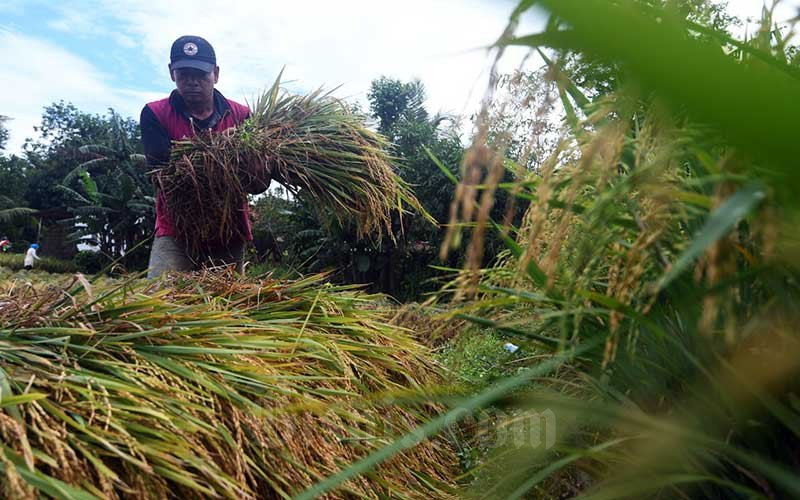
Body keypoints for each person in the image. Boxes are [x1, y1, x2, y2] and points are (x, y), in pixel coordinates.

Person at [140, 35, 271, 278]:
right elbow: (162, 175)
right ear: (172, 73)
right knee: (158, 301)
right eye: (184, 73)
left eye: (200, 74)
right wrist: (223, 149)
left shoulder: (242, 116)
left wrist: (259, 165)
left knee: (225, 305)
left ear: (216, 73)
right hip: (175, 227)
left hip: (228, 228)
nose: (191, 81)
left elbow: (258, 185)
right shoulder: (155, 114)